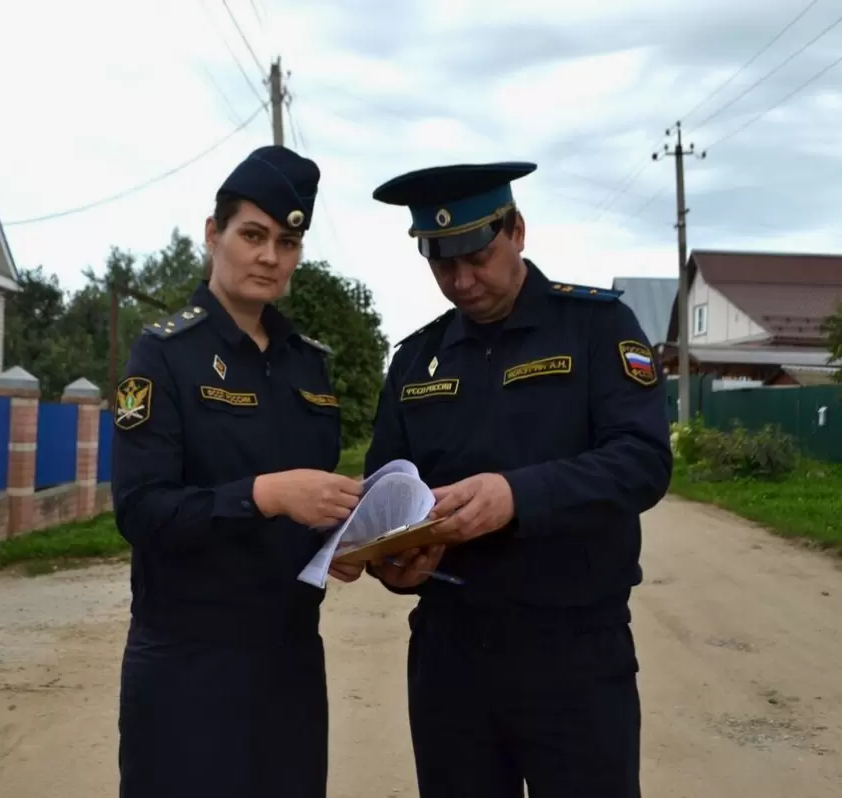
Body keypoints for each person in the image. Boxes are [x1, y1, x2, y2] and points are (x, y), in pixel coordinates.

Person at [361, 161, 673, 798]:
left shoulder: (596, 328)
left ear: (518, 231)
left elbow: (642, 461)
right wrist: (390, 563)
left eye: (476, 255)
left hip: (574, 651)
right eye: (441, 263)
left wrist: (517, 497)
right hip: (451, 656)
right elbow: (385, 491)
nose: (461, 280)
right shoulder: (417, 357)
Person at [110, 144, 365, 798]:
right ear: (212, 234)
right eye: (252, 235)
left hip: (289, 659)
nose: (269, 256)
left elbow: (312, 505)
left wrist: (343, 542)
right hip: (187, 661)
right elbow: (141, 512)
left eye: (286, 241)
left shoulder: (308, 363)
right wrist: (266, 496)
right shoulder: (161, 355)